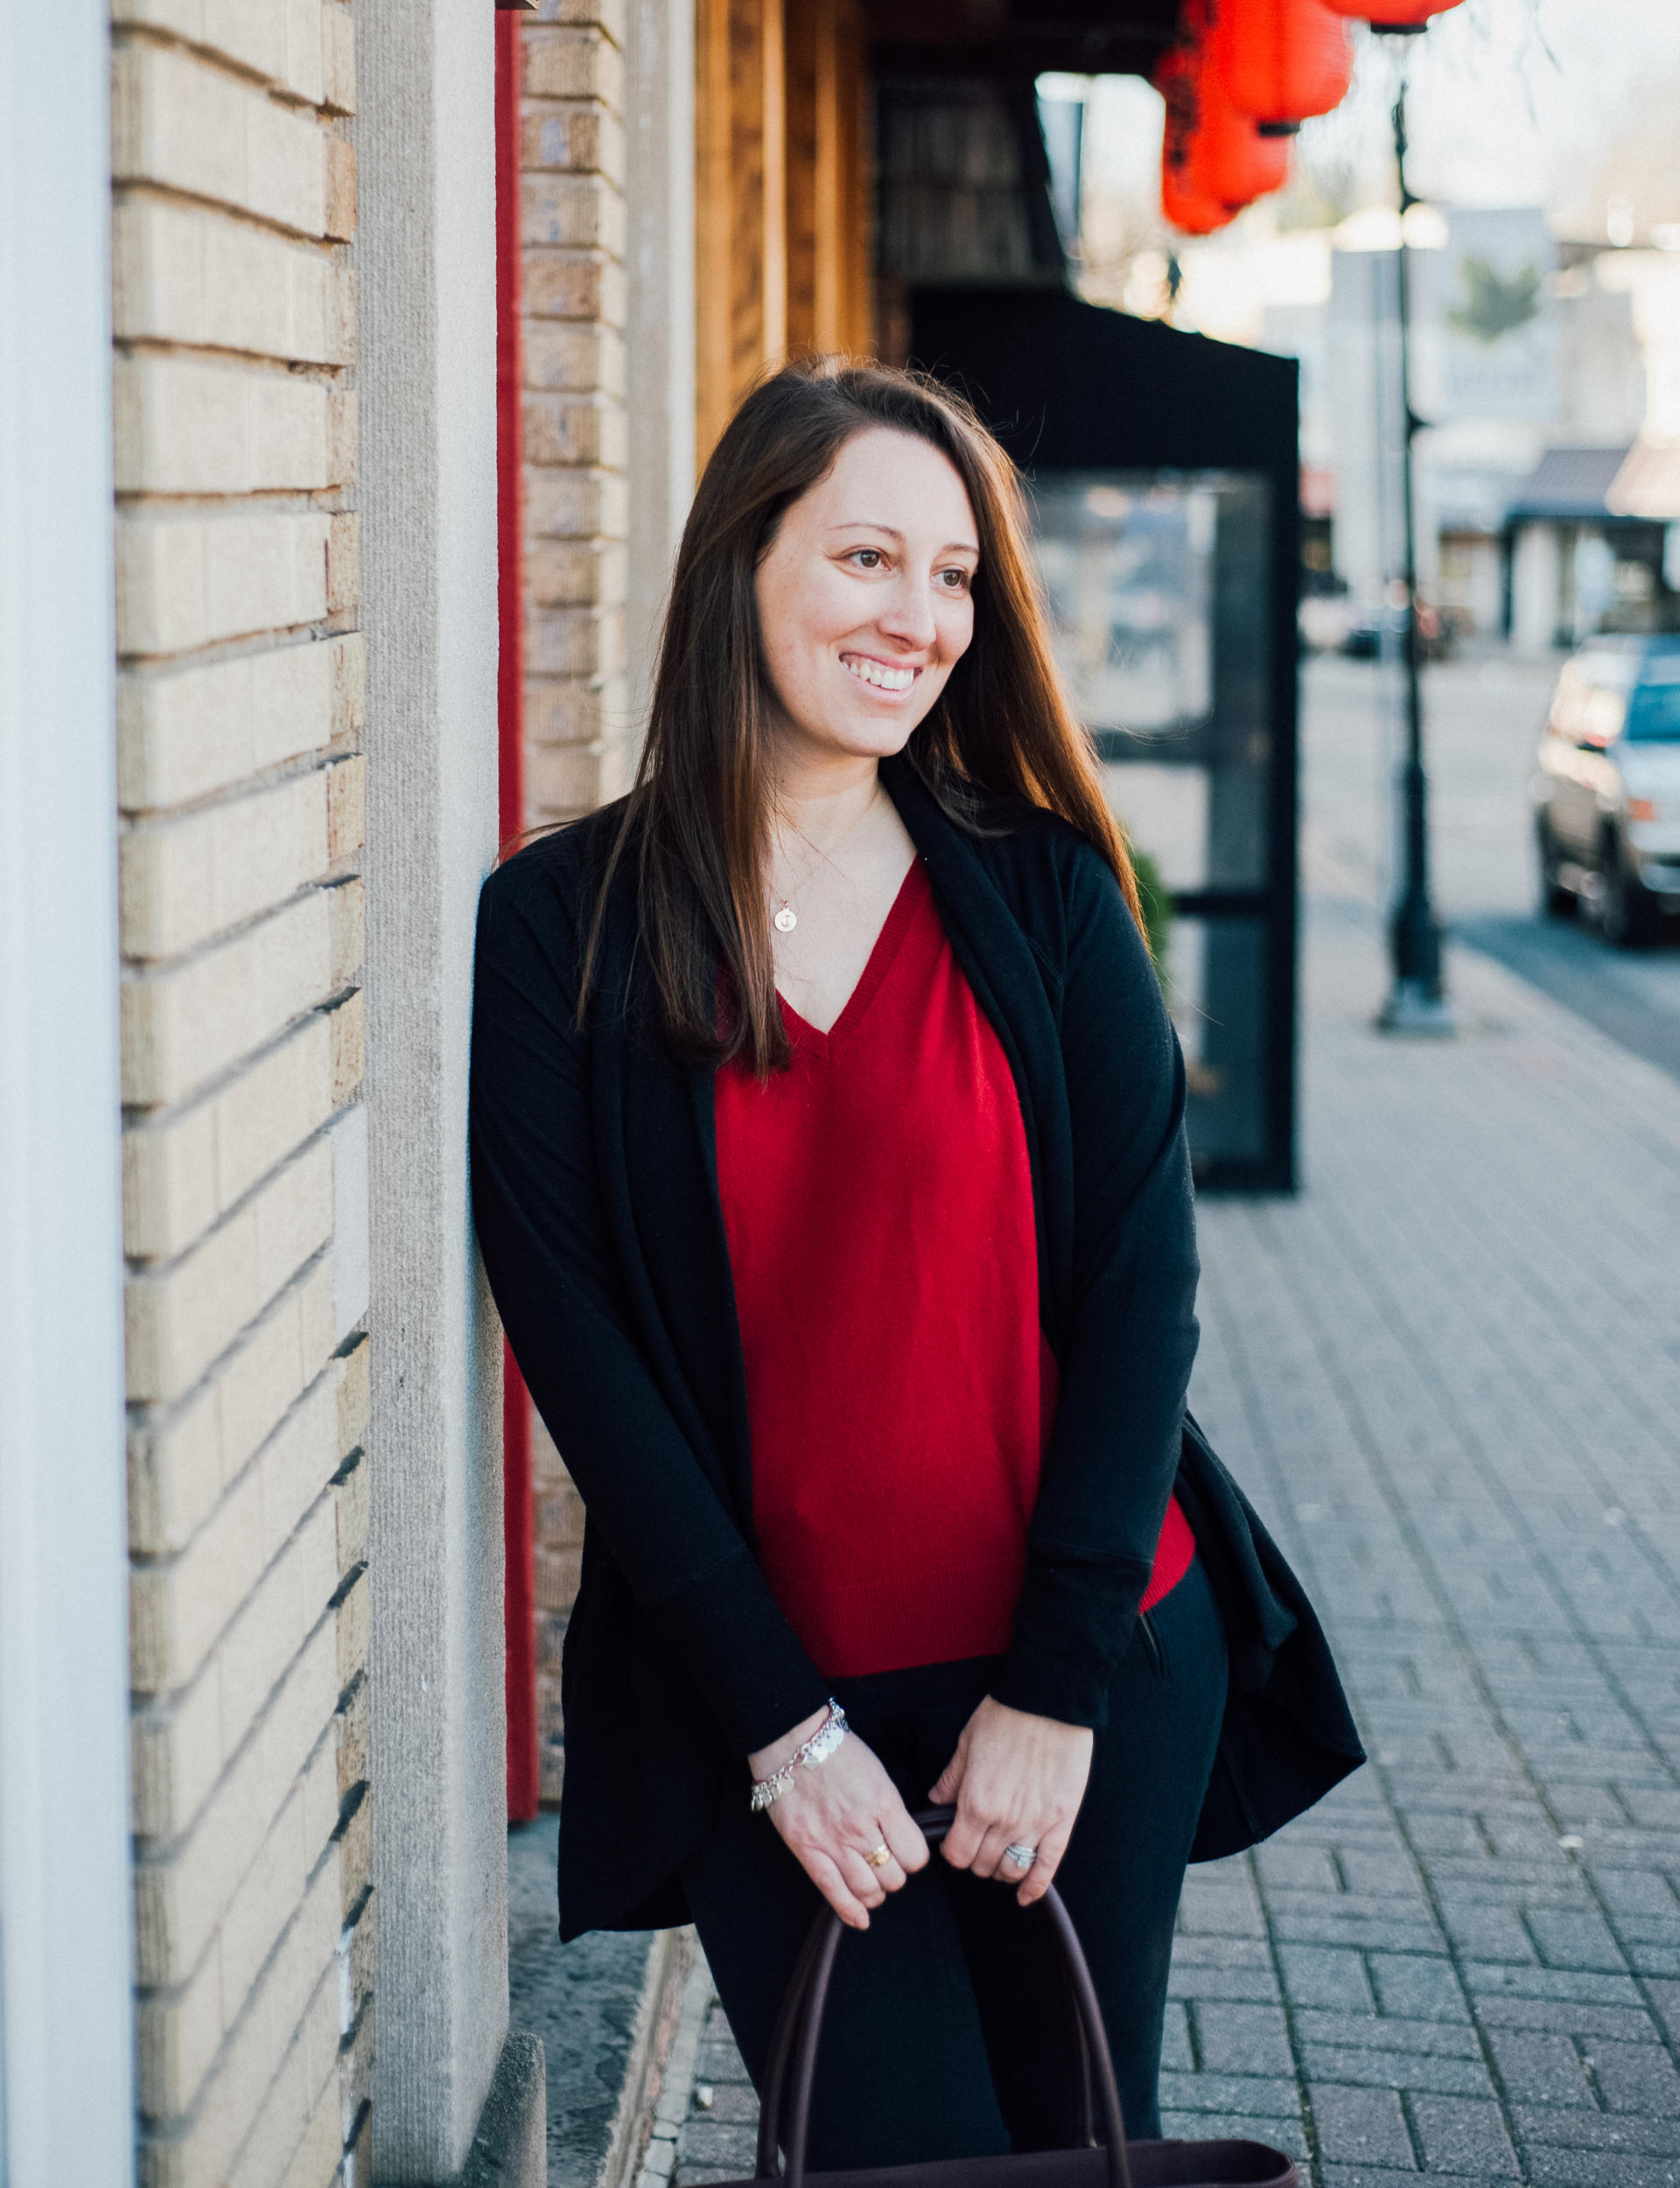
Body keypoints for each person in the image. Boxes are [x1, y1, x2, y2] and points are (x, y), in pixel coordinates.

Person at [470, 360, 1361, 2167]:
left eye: (953, 577)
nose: (921, 618)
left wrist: (1057, 1684)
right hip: (767, 1695)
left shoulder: (1042, 893)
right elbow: (577, 1348)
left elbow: (1141, 1296)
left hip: (1083, 1664)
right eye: (869, 557)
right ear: (743, 562)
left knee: (1070, 2142)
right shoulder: (559, 924)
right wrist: (782, 1734)